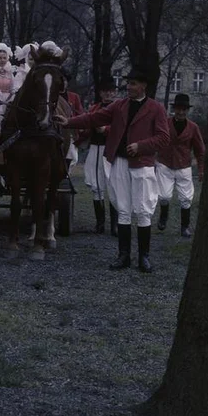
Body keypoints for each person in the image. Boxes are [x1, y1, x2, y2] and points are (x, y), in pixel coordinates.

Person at [55, 69, 169, 273]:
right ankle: (123, 256)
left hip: (142, 164)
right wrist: (69, 122)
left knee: (143, 210)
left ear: (143, 86)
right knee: (123, 209)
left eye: (133, 83)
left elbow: (163, 138)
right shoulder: (120, 106)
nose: (129, 87)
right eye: (129, 83)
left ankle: (144, 257)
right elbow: (94, 118)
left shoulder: (155, 109)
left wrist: (141, 146)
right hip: (119, 163)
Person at [155, 93, 205, 238]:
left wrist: (201, 169)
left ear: (187, 110)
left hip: (184, 166)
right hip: (165, 164)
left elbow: (200, 150)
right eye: (178, 109)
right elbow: (155, 141)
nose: (181, 112)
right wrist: (152, 160)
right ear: (174, 109)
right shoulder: (165, 123)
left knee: (186, 198)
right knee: (163, 196)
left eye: (184, 109)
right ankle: (163, 216)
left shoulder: (193, 127)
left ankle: (185, 226)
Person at [78, 77, 118, 235]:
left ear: (114, 93)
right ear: (101, 93)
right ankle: (99, 223)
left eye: (111, 91)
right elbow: (87, 126)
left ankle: (115, 225)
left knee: (113, 186)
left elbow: (121, 129)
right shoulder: (95, 108)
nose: (108, 94)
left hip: (111, 149)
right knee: (96, 186)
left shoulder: (119, 109)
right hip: (95, 148)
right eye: (105, 91)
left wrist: (106, 129)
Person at [58, 64, 84, 171]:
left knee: (72, 157)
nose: (63, 83)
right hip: (56, 131)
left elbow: (80, 114)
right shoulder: (52, 96)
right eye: (60, 80)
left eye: (64, 80)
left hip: (71, 131)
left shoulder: (74, 97)